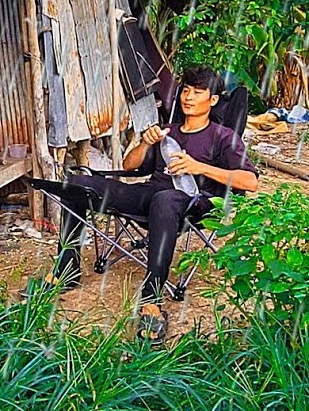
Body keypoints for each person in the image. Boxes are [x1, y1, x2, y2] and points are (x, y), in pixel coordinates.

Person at [35, 66, 259, 344]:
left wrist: (198, 166)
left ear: (212, 100)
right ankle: (66, 270)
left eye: (198, 92)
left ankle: (151, 299)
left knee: (166, 200)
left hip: (192, 202)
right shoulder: (168, 131)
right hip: (149, 193)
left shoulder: (223, 137)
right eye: (186, 90)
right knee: (77, 185)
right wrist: (143, 143)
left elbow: (249, 181)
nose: (189, 97)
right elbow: (130, 167)